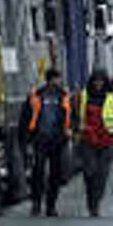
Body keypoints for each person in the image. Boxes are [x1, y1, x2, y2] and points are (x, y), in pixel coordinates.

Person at [76, 70, 113, 217]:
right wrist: (78, 129)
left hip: (106, 139)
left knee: (102, 174)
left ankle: (95, 204)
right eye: (95, 81)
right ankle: (91, 201)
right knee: (89, 172)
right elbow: (75, 114)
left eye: (101, 81)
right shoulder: (83, 96)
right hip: (88, 139)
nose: (98, 84)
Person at [20, 68, 71, 216]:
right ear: (51, 80)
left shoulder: (63, 96)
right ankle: (37, 203)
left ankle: (50, 205)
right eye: (56, 79)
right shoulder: (37, 95)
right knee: (38, 172)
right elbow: (26, 117)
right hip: (40, 139)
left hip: (57, 140)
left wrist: (67, 133)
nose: (57, 82)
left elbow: (69, 116)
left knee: (55, 173)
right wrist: (27, 138)